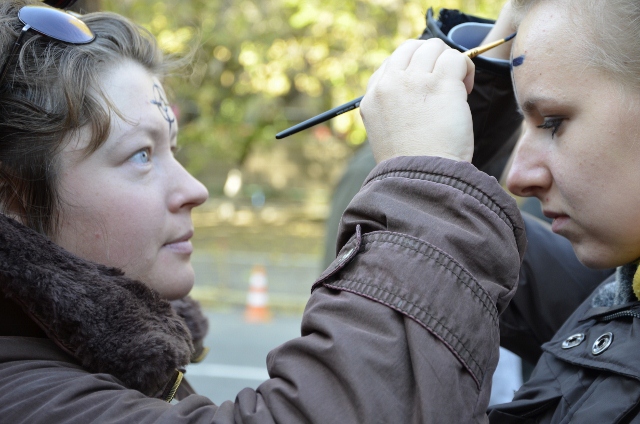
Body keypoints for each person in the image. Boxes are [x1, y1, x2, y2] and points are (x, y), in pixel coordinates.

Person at [0, 0, 527, 422]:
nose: (194, 189)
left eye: (172, 150)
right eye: (141, 155)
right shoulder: (23, 397)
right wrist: (426, 190)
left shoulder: (87, 357)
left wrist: (491, 61)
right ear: (12, 199)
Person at [362, 0, 640, 421]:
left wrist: (418, 189)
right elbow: (460, 249)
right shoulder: (613, 289)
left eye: (552, 122)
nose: (518, 178)